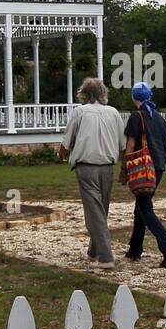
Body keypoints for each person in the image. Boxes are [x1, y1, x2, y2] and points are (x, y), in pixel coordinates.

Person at [58, 77, 124, 266]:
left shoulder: (80, 112)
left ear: (84, 94)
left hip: (86, 167)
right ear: (103, 94)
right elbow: (122, 145)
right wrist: (124, 167)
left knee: (95, 213)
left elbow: (66, 141)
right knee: (101, 210)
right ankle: (93, 250)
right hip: (107, 167)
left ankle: (105, 257)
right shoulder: (113, 113)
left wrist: (61, 155)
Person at [121, 81, 166, 268]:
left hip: (143, 168)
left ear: (134, 97)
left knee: (145, 208)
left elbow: (130, 145)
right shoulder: (160, 119)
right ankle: (135, 249)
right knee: (141, 208)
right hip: (159, 168)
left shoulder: (136, 117)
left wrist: (124, 170)